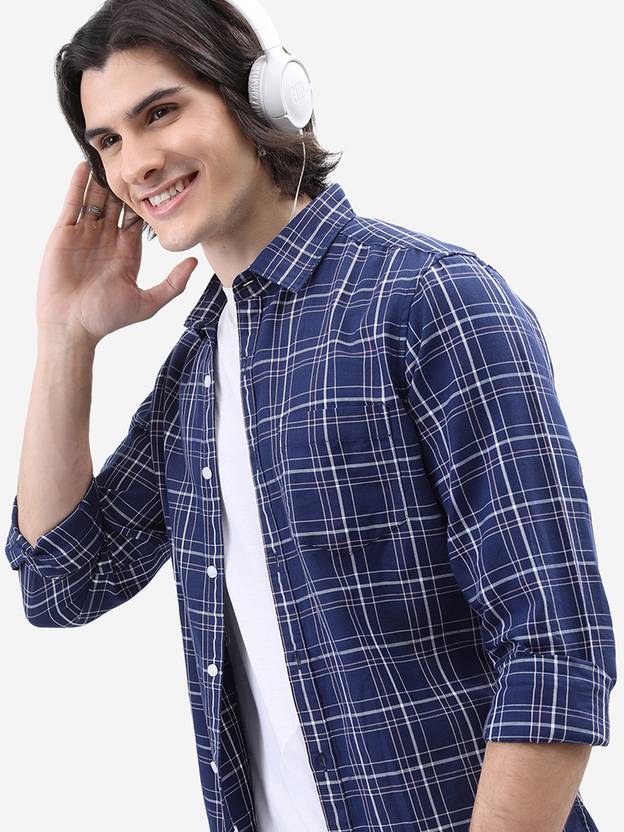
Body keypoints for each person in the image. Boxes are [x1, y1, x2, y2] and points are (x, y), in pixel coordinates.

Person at [5, 2, 616, 831]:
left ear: (259, 96)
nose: (137, 162)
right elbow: (63, 582)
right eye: (108, 140)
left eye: (161, 112)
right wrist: (65, 337)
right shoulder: (197, 369)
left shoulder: (431, 299)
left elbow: (555, 648)